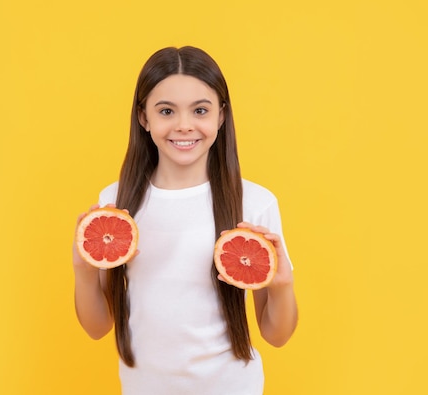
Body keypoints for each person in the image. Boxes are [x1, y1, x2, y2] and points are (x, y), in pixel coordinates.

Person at [72, 46, 298, 395]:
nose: (184, 126)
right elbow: (97, 326)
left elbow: (277, 335)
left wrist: (281, 286)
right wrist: (84, 271)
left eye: (200, 110)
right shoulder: (114, 204)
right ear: (144, 118)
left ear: (221, 116)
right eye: (166, 111)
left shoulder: (254, 202)